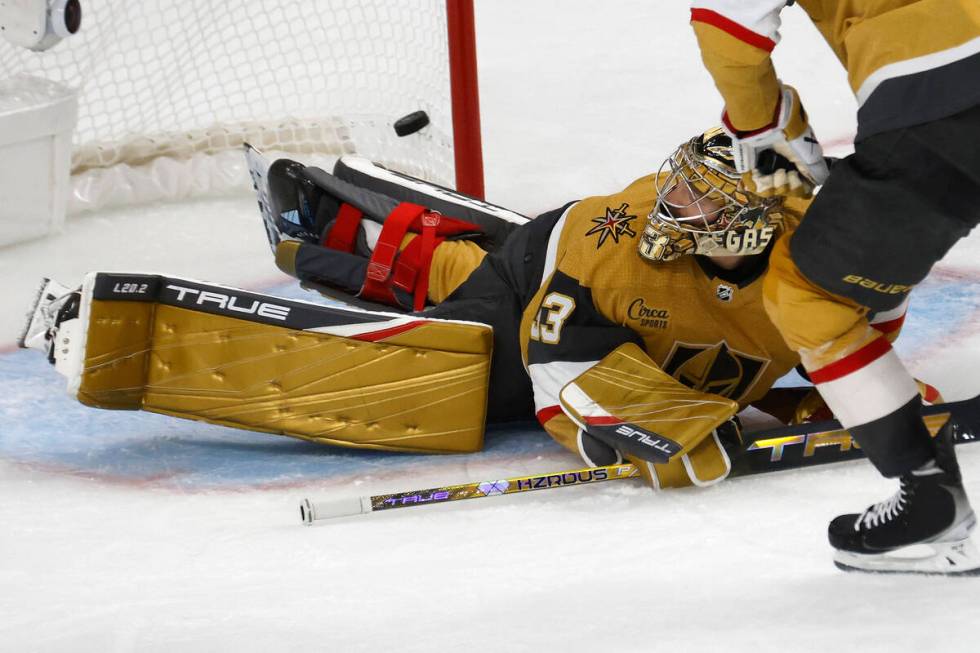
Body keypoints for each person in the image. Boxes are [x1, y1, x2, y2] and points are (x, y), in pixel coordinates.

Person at [20, 129, 935, 491]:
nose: (672, 209)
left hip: (561, 281)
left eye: (696, 206)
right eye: (678, 191)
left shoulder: (813, 277)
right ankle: (126, 328)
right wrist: (646, 429)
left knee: (468, 273)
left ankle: (353, 228)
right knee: (443, 369)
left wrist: (857, 400)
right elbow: (558, 366)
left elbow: (843, 347)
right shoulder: (620, 249)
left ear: (752, 224)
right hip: (549, 287)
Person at [688, 1, 980, 574]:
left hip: (943, 93)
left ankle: (931, 507)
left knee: (812, 295)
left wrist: (763, 130)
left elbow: (729, 26)